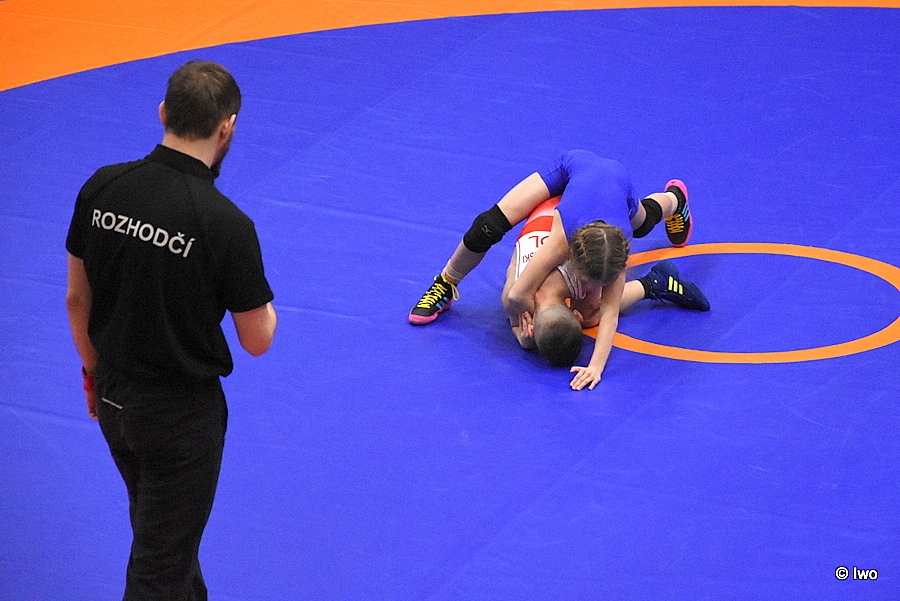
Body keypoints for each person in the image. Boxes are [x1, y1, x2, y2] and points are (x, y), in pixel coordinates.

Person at [65, 60, 277, 600]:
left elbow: (76, 299)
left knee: (164, 536)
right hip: (179, 419)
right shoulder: (226, 225)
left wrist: (93, 375)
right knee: (159, 566)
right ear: (227, 127)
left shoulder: (103, 187)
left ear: (163, 112)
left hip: (114, 397)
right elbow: (257, 340)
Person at [409, 149, 703, 389]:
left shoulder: (618, 249)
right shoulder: (562, 238)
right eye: (589, 282)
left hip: (617, 180)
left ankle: (675, 200)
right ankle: (445, 283)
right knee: (487, 227)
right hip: (575, 168)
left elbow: (610, 314)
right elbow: (516, 295)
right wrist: (529, 318)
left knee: (642, 223)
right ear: (572, 257)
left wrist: (595, 367)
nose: (591, 290)